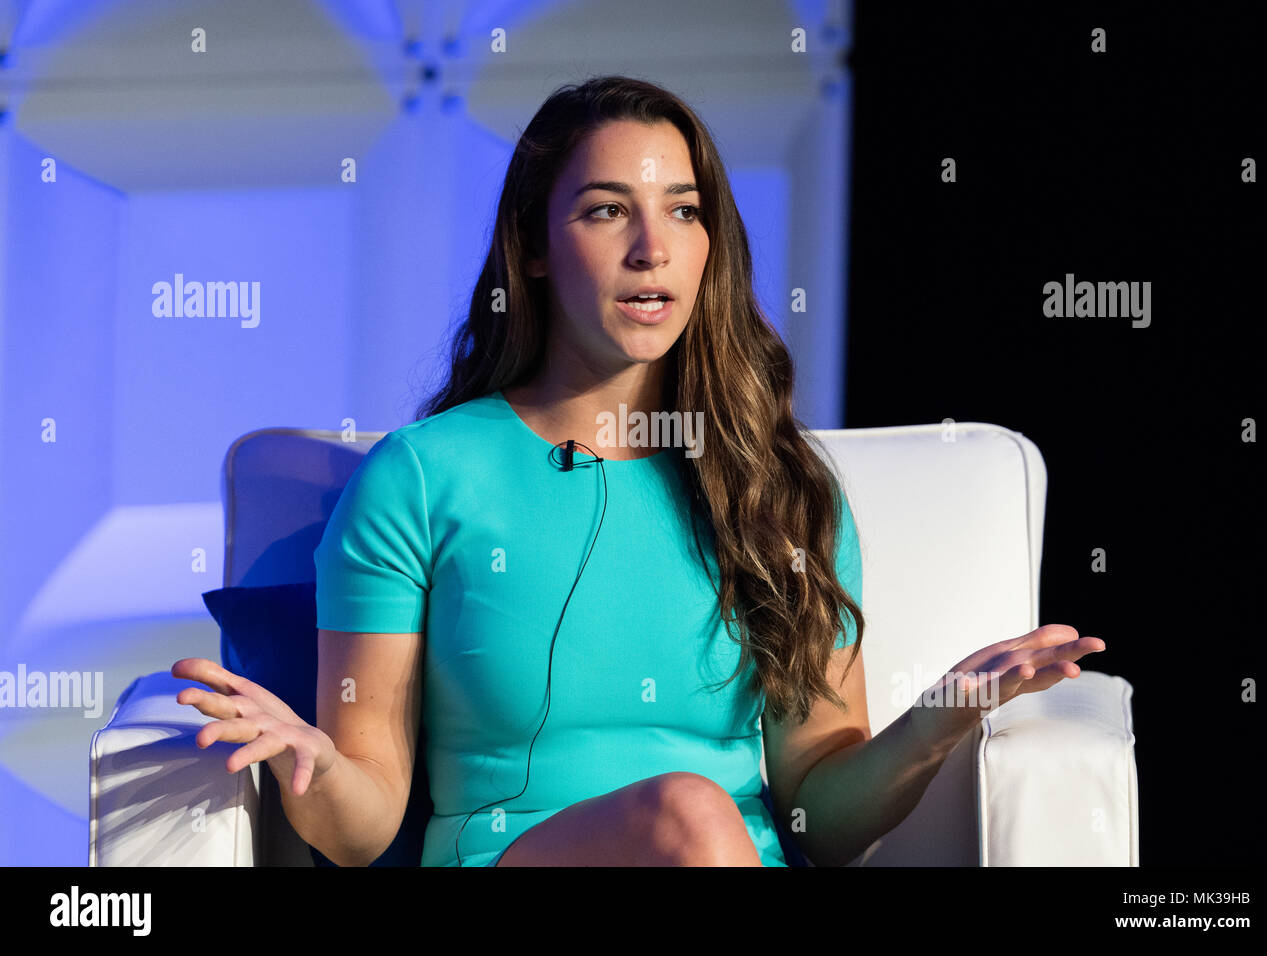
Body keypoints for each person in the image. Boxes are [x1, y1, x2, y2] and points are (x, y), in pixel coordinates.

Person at [172, 75, 1105, 867]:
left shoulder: (776, 488)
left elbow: (823, 814)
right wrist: (317, 764)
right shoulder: (421, 478)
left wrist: (940, 717)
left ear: (710, 246)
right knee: (688, 811)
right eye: (607, 209)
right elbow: (363, 827)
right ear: (532, 249)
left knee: (697, 819)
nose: (652, 247)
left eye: (683, 211)